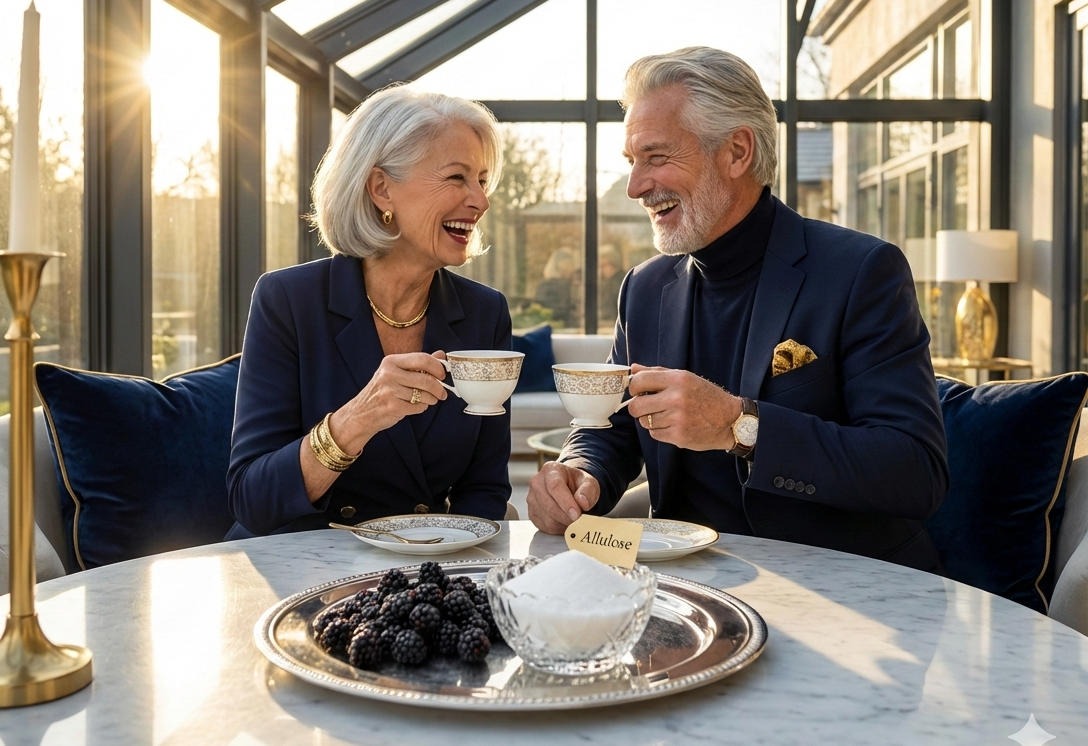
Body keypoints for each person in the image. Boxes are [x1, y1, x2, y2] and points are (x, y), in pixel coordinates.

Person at [527, 47, 949, 572]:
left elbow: (913, 472)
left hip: (843, 594)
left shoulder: (862, 271)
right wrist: (578, 471)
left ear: (737, 151)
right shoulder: (643, 287)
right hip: (685, 586)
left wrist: (738, 425)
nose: (636, 187)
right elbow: (610, 427)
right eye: (633, 162)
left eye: (656, 157)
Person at [226, 84, 512, 537]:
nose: (480, 199)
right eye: (457, 178)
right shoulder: (288, 300)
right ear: (381, 188)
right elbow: (253, 499)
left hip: (426, 571)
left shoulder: (485, 312)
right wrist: (359, 417)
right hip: (295, 563)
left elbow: (486, 490)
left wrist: (444, 568)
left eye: (481, 179)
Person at [533, 247, 577, 327]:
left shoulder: (544, 284)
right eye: (569, 264)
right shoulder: (562, 285)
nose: (572, 268)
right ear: (561, 265)